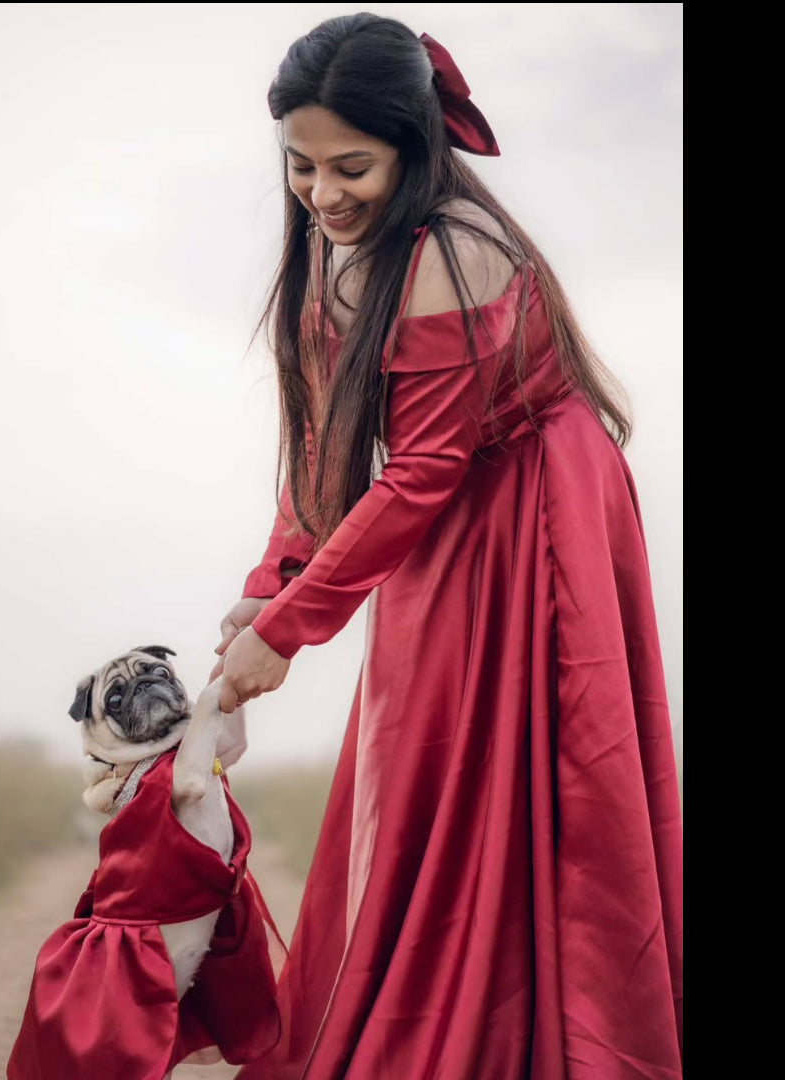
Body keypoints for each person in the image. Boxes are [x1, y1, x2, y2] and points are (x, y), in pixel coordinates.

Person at [209, 14, 683, 1080]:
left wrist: (290, 632)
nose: (323, 192)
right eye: (301, 165)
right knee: (423, 750)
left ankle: (526, 1036)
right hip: (454, 505)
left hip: (537, 509)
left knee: (535, 765)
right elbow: (327, 447)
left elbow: (418, 470)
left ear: (415, 150)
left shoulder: (456, 256)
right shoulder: (341, 256)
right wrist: (272, 584)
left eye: (352, 167)